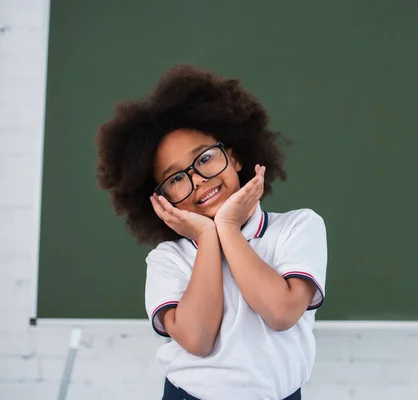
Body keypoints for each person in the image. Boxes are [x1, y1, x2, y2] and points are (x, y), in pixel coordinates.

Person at [95, 65, 328, 400]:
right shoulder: (167, 260)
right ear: (163, 200)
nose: (199, 179)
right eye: (176, 179)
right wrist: (208, 238)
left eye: (204, 159)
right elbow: (198, 340)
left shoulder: (297, 227)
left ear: (233, 157)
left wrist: (228, 228)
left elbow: (281, 313)